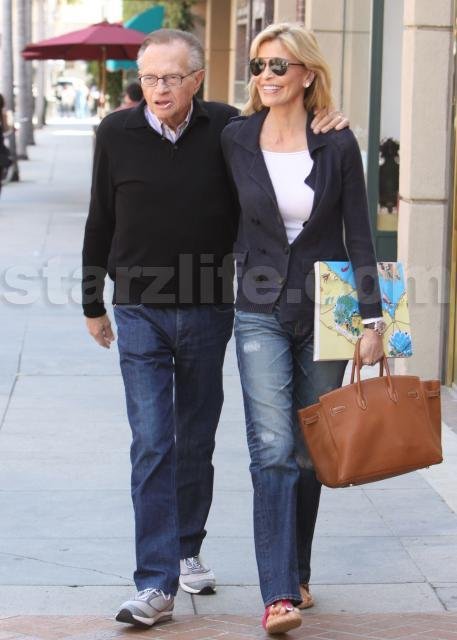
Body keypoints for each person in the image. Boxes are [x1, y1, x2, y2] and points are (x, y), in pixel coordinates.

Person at [82, 27, 349, 630]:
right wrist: (92, 301)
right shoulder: (115, 133)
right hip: (139, 310)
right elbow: (100, 217)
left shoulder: (230, 130)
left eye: (172, 78)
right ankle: (155, 583)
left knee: (196, 437)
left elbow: (286, 144)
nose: (159, 89)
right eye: (150, 78)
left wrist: (327, 121)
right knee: (153, 441)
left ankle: (186, 547)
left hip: (209, 308)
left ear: (197, 79)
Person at [221, 22, 384, 635]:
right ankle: (278, 594)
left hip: (326, 311)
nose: (266, 76)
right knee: (271, 448)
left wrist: (373, 319)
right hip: (258, 306)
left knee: (310, 451)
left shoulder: (337, 143)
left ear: (307, 74)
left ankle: (299, 569)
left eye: (279, 65)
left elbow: (359, 234)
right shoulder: (236, 138)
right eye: (258, 65)